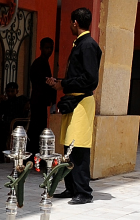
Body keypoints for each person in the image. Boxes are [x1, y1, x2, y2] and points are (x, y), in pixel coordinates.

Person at [47, 7, 102, 205]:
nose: (70, 25)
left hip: (82, 102)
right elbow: (79, 76)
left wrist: (64, 84)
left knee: (78, 147)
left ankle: (84, 192)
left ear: (75, 22)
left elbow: (90, 79)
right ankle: (71, 188)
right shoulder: (80, 44)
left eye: (71, 22)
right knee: (68, 146)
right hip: (73, 101)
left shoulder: (88, 45)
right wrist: (61, 83)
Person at [28, 37, 57, 156]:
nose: (49, 50)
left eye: (51, 48)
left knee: (39, 130)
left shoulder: (45, 63)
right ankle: (32, 155)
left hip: (41, 102)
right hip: (37, 102)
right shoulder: (38, 63)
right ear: (41, 48)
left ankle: (36, 155)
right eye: (46, 48)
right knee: (36, 130)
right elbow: (40, 82)